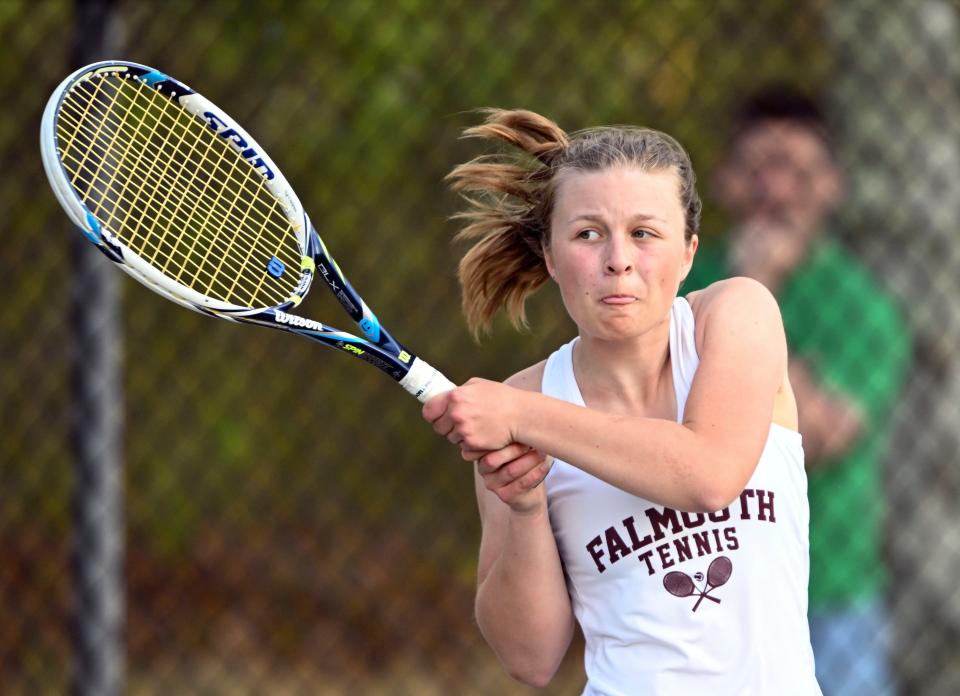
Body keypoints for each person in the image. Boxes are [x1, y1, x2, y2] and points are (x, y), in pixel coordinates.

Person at [422, 109, 822, 694]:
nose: (618, 260)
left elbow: (707, 474)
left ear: (688, 253)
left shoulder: (735, 315)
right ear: (552, 256)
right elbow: (530, 658)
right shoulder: (522, 401)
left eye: (644, 232)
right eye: (588, 233)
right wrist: (528, 506)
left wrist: (524, 420)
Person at [683, 86, 911, 695]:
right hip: (704, 585)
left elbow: (817, 436)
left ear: (832, 185)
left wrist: (759, 290)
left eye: (799, 174)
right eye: (759, 171)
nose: (777, 193)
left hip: (829, 593)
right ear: (727, 182)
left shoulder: (861, 304)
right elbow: (661, 425)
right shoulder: (677, 287)